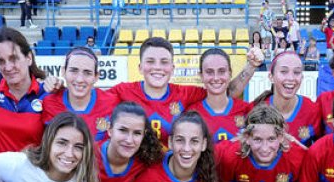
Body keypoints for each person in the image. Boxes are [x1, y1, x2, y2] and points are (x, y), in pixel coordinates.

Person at [108, 37, 259, 145]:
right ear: (140, 67)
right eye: (150, 61)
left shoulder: (185, 94)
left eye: (164, 62)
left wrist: (250, 66)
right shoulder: (123, 91)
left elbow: (224, 89)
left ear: (172, 68)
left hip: (173, 174)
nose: (158, 67)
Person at [0, 27, 50, 153]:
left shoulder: (46, 94)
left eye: (13, 58)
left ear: (29, 58)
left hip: (33, 172)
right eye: (1, 61)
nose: (8, 67)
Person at [42, 46, 117, 141]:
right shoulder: (49, 103)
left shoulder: (112, 102)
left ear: (96, 76)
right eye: (74, 71)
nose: (80, 79)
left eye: (87, 73)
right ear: (63, 71)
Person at [252, 49, 323, 145]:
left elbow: (321, 155)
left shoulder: (313, 110)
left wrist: (295, 148)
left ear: (302, 77)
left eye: (297, 72)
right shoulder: (255, 110)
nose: (291, 78)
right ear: (271, 77)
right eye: (284, 71)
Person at [194, 48, 254, 143]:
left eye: (221, 71)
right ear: (201, 76)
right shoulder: (192, 114)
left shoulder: (247, 111)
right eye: (209, 72)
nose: (216, 78)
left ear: (230, 74)